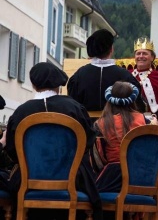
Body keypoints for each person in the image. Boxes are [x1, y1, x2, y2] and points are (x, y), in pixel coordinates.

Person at [2, 62, 103, 220]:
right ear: (58, 85)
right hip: (74, 180)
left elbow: (12, 149)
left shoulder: (21, 111)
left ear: (34, 85)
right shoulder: (75, 108)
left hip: (28, 179)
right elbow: (88, 142)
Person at [95, 81, 157, 193]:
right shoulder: (147, 122)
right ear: (132, 100)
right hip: (142, 179)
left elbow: (97, 159)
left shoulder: (100, 124)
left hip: (111, 179)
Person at [67, 29, 144, 113]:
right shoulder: (125, 75)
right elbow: (138, 107)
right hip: (118, 125)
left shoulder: (79, 75)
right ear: (111, 49)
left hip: (86, 124)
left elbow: (72, 105)